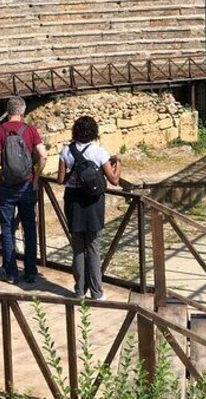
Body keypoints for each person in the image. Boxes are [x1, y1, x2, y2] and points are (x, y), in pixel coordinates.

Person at [57, 116, 122, 301]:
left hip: (73, 201)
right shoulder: (99, 152)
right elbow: (114, 180)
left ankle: (79, 291)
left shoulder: (66, 151)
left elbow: (61, 180)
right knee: (93, 247)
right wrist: (119, 163)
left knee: (78, 248)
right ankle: (97, 292)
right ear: (94, 131)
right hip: (93, 202)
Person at [0, 96, 47, 284]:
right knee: (30, 228)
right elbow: (43, 155)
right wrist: (36, 178)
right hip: (27, 184)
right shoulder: (30, 130)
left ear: (8, 111)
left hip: (4, 186)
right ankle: (30, 271)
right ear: (22, 112)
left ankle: (11, 273)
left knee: (7, 228)